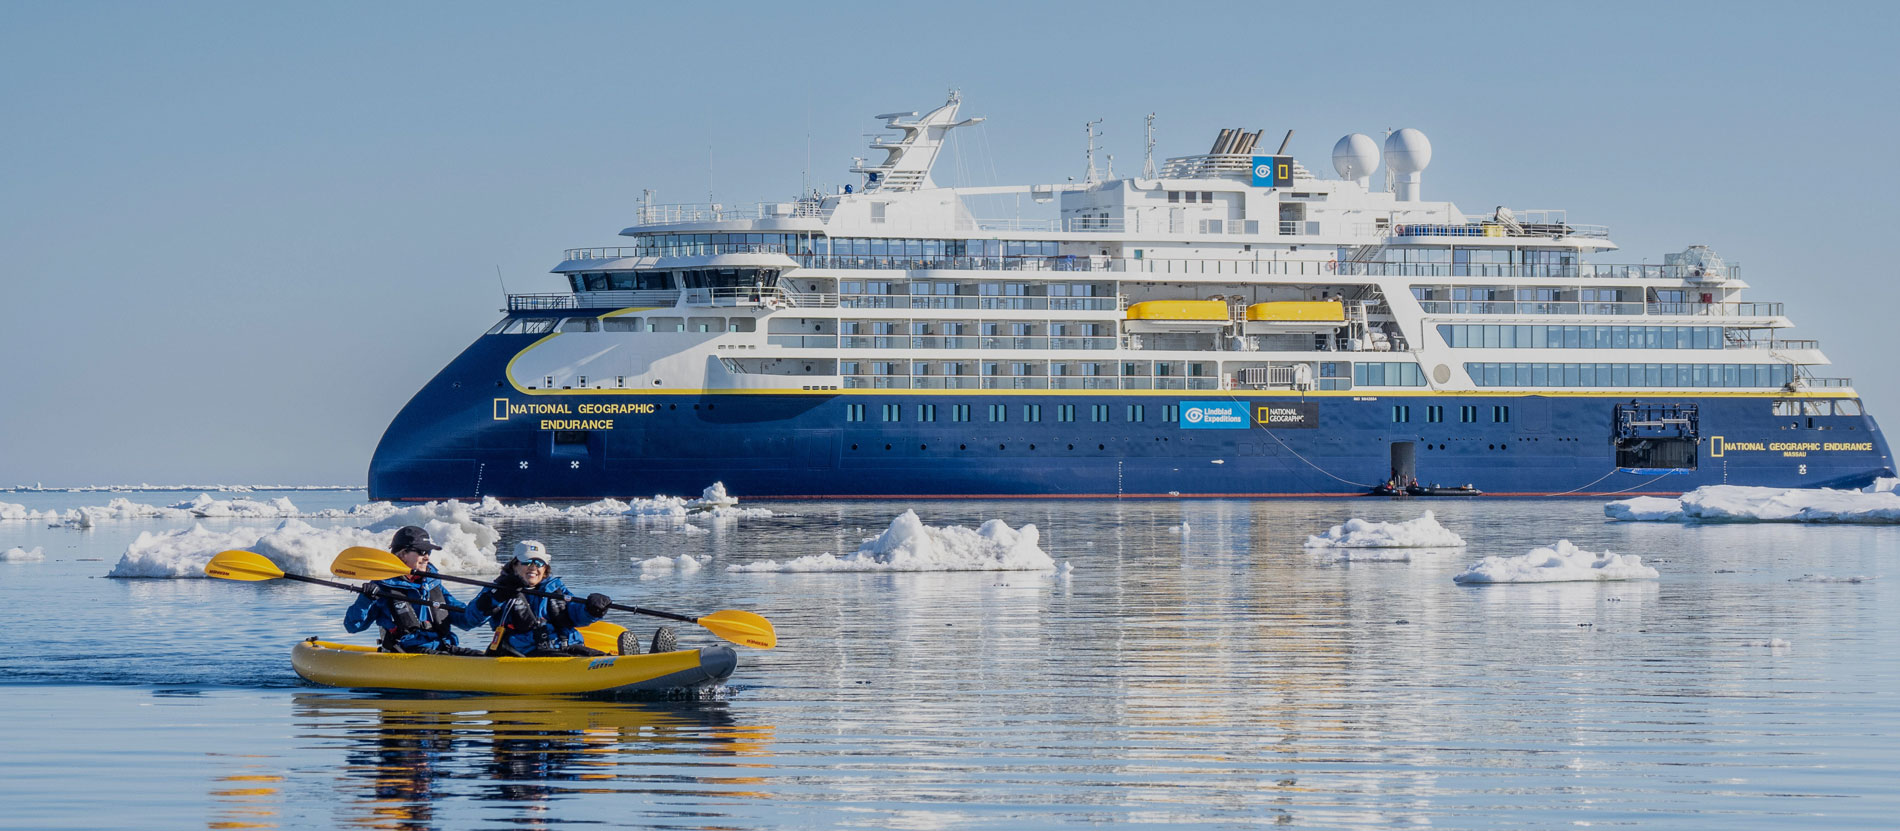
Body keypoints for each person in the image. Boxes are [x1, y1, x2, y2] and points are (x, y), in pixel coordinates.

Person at [344, 525, 484, 655]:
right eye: (422, 551)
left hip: (442, 648)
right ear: (403, 553)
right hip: (406, 654)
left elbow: (467, 620)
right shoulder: (381, 588)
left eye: (428, 552)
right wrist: (365, 599)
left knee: (485, 657)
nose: (427, 557)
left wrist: (490, 601)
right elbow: (353, 626)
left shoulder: (432, 584)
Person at [467, 541, 613, 657]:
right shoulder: (499, 589)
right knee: (563, 657)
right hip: (525, 652)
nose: (533, 567)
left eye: (539, 563)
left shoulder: (554, 588)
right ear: (515, 564)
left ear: (544, 568)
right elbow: (471, 618)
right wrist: (494, 598)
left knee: (599, 657)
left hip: (566, 645)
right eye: (527, 562)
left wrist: (592, 610)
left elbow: (575, 614)